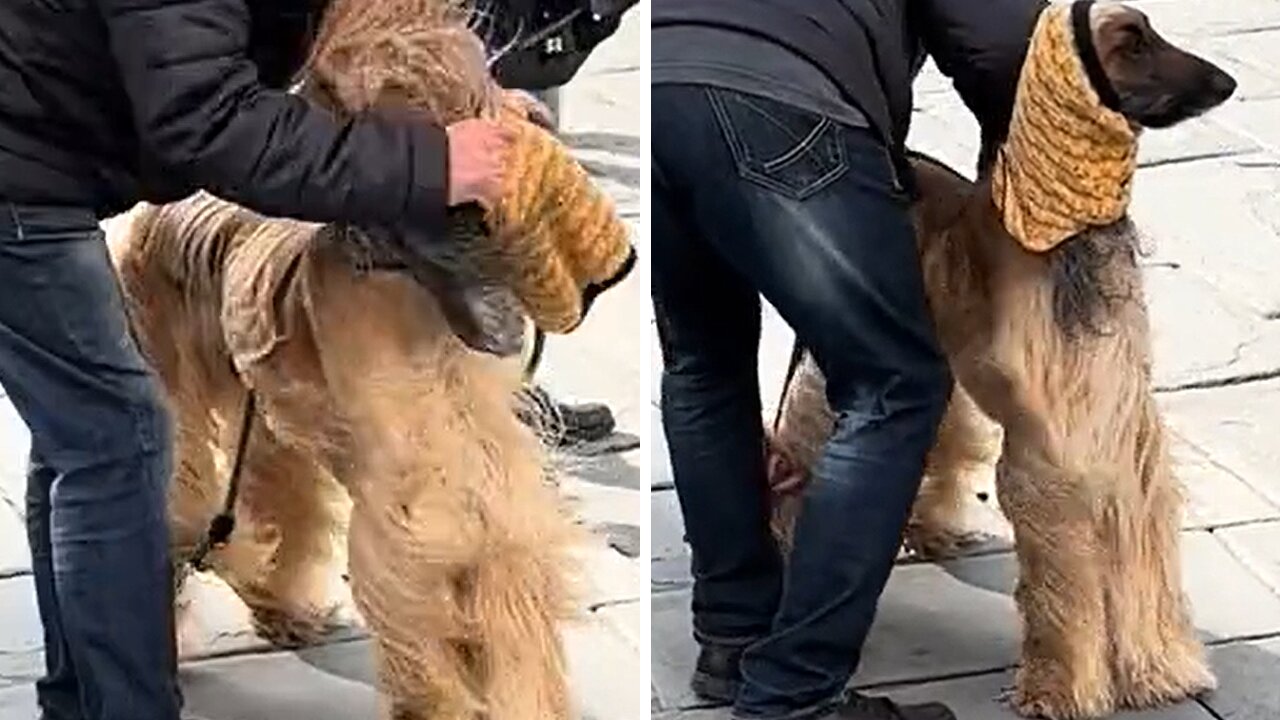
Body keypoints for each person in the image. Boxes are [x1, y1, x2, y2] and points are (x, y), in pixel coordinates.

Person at [0, 2, 513, 720]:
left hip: (33, 161)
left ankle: (80, 699)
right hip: (19, 185)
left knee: (82, 437)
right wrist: (429, 166)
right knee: (119, 440)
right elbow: (206, 119)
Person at [651, 1, 1047, 719]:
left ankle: (733, 640)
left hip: (660, 85)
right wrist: (1016, 175)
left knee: (704, 364)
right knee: (893, 385)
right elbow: (999, 43)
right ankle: (794, 692)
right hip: (782, 104)